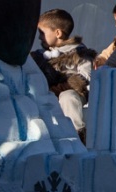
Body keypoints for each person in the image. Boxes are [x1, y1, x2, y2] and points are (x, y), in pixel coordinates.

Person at [33, 8, 93, 137]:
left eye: (42, 33)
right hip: (47, 95)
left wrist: (62, 87)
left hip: (75, 94)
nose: (39, 37)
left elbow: (86, 76)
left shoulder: (79, 53)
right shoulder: (39, 57)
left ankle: (76, 134)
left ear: (58, 33)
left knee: (68, 97)